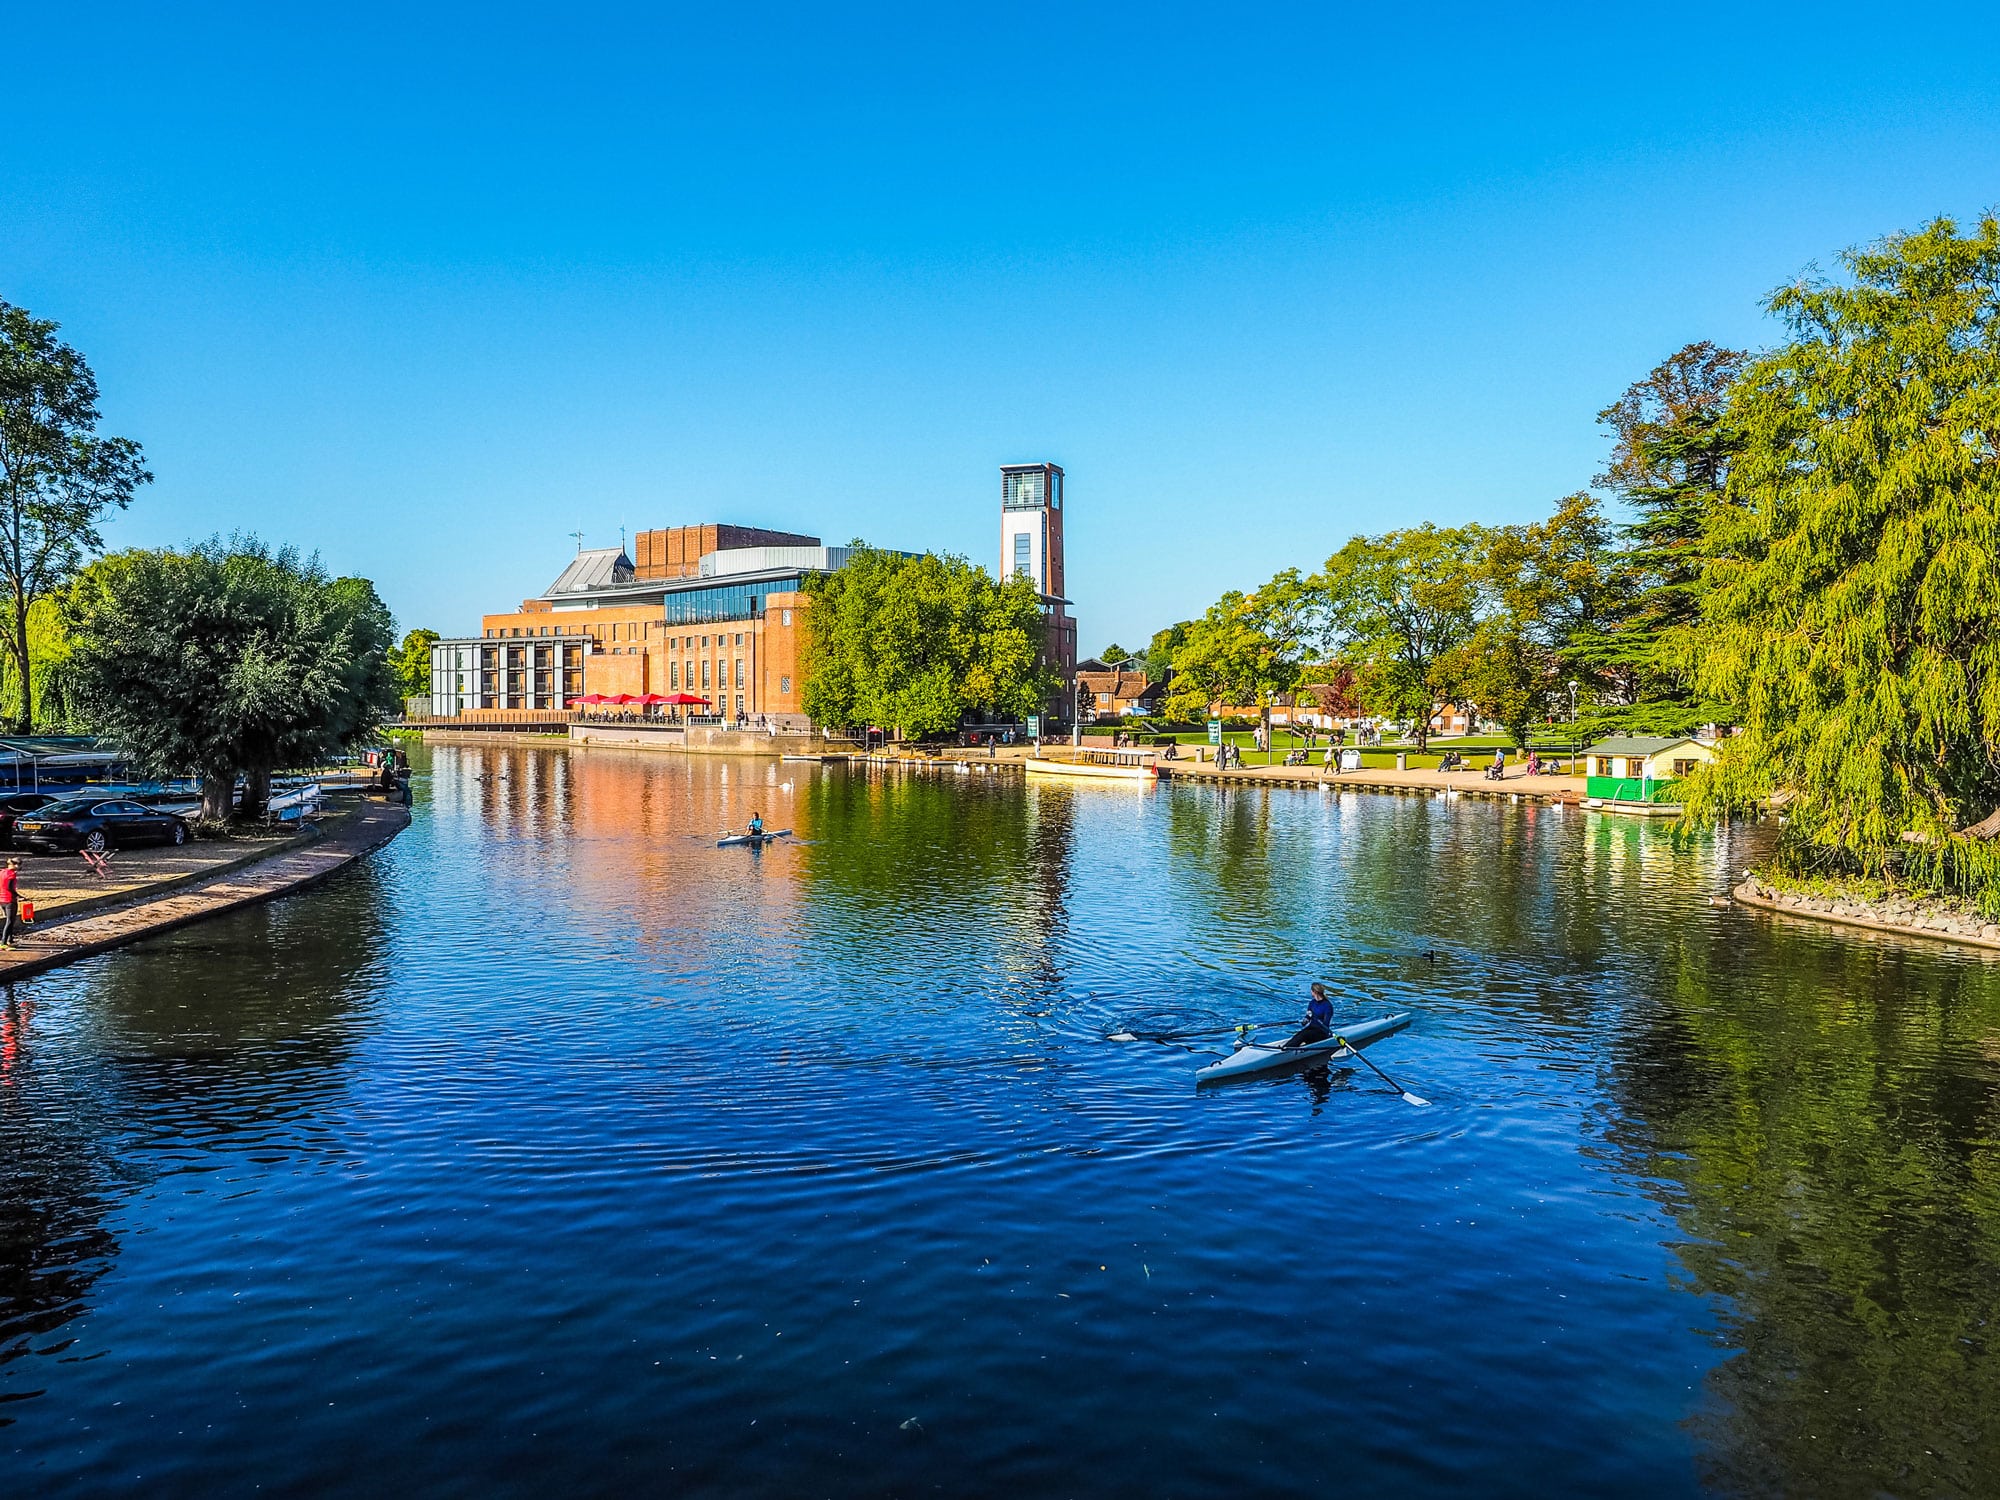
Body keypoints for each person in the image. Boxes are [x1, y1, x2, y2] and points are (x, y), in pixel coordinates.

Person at [1286, 982, 1335, 1048]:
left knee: (1303, 1034)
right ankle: (1285, 1048)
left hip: (1322, 1033)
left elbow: (1326, 1024)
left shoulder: (1327, 1006)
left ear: (1314, 992)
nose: (1310, 992)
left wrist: (1317, 1020)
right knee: (1299, 1034)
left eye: (1311, 991)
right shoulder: (1312, 1003)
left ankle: (1287, 1049)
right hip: (1312, 1029)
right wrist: (1306, 1020)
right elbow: (1308, 1016)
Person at [0, 858, 19, 949]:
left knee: (10, 920)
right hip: (10, 900)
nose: (19, 867)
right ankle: (3, 942)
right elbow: (10, 888)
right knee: (10, 921)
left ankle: (10, 940)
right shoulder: (12, 874)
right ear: (14, 864)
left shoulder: (2, 872)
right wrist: (19, 896)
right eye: (18, 865)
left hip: (2, 900)